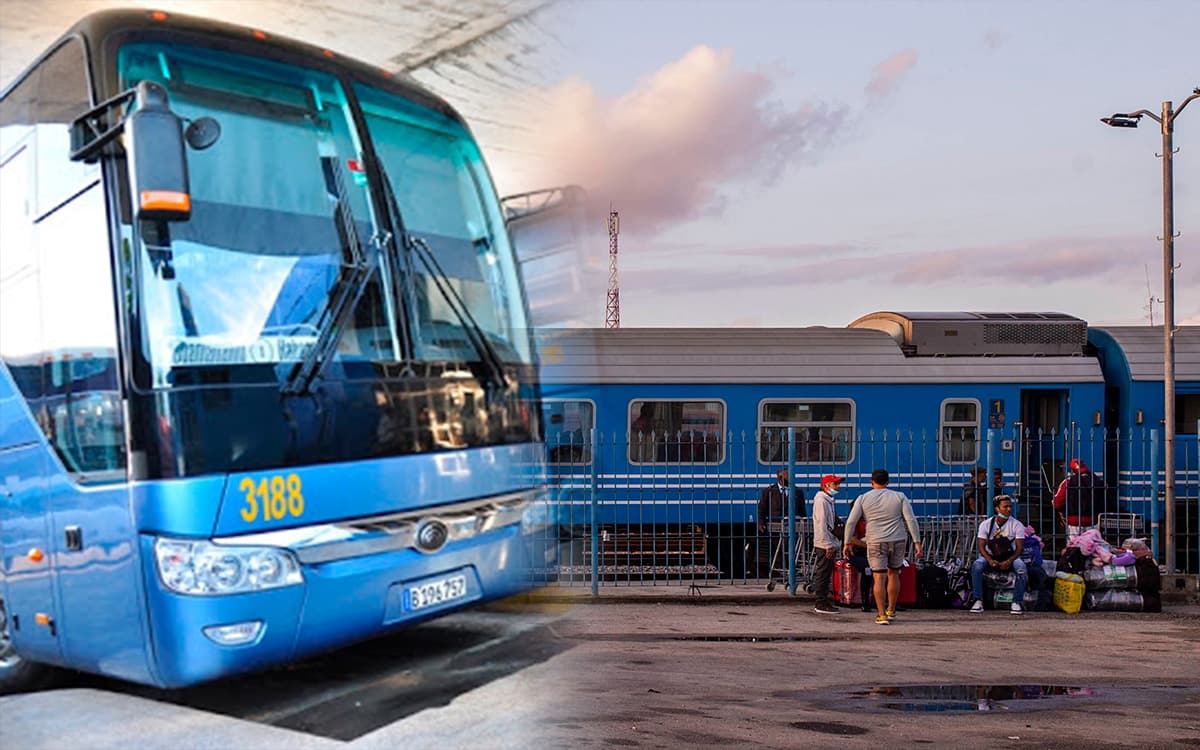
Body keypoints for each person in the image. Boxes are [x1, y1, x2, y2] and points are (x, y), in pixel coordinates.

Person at [842, 469, 922, 626]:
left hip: (876, 540)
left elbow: (851, 522)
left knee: (879, 577)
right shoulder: (899, 497)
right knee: (894, 574)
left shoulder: (863, 498)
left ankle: (881, 614)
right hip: (898, 539)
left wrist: (846, 543)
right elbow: (910, 520)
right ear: (888, 482)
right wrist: (917, 542)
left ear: (871, 482)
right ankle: (891, 609)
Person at [969, 495, 1028, 615]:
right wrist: (990, 560)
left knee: (1021, 568)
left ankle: (1017, 601)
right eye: (1005, 507)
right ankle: (978, 600)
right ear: (997, 509)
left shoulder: (1017, 525)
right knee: (977, 565)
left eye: (1010, 506)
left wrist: (1009, 561)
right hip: (991, 556)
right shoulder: (986, 524)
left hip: (1011, 556)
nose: (1009, 509)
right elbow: (981, 546)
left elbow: (1019, 548)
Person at [811, 474, 846, 614]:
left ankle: (823, 601)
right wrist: (827, 545)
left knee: (825, 573)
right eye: (835, 484)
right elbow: (821, 524)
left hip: (828, 542)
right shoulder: (822, 501)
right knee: (823, 573)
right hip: (825, 544)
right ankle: (821, 603)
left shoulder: (827, 500)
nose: (838, 487)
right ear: (826, 486)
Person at [1053, 459, 1107, 537]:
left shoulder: (1068, 482)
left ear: (1073, 470)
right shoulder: (1098, 482)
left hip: (1074, 521)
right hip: (1093, 521)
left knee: (1074, 546)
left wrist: (1062, 511)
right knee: (1091, 546)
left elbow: (1058, 502)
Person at [844, 518, 874, 612]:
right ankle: (865, 602)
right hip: (855, 553)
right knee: (867, 570)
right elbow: (852, 539)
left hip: (870, 552)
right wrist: (868, 545)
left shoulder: (872, 520)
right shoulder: (852, 522)